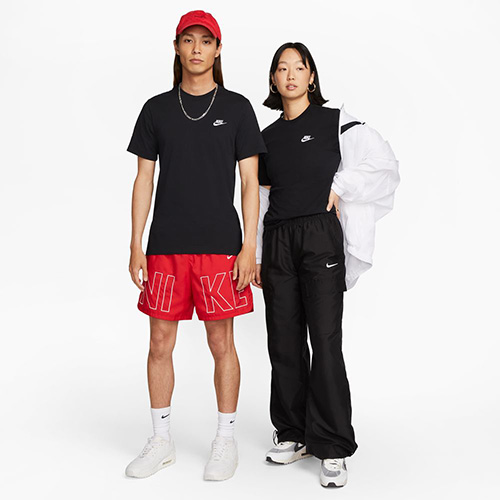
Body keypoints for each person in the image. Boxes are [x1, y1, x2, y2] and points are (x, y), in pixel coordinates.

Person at [125, 10, 266, 481]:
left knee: (221, 341)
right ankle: (161, 439)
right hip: (165, 246)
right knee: (159, 342)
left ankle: (225, 440)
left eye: (206, 41)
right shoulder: (156, 109)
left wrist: (249, 247)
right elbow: (143, 179)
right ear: (177, 47)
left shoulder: (238, 108)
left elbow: (250, 182)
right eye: (189, 40)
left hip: (220, 246)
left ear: (218, 49)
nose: (197, 48)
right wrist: (135, 244)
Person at [251, 42, 400, 488]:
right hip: (278, 240)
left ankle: (332, 445)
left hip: (319, 237)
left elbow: (384, 164)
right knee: (283, 340)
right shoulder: (266, 137)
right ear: (274, 79)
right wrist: (256, 254)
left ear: (311, 76)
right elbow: (260, 199)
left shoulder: (336, 122)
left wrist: (340, 185)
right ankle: (293, 433)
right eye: (282, 68)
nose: (290, 75)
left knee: (325, 340)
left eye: (299, 67)